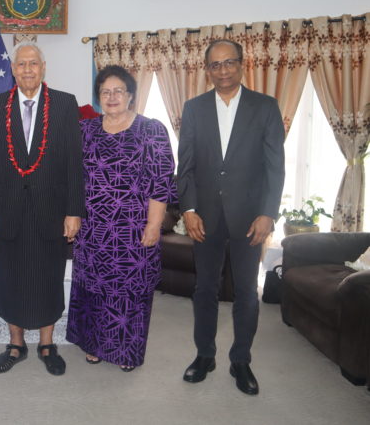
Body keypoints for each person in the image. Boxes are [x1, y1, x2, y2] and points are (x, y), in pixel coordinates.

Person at [177, 39, 285, 395]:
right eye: (215, 65)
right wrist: (189, 209)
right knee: (204, 289)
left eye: (229, 63)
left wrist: (268, 213)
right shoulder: (193, 109)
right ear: (207, 70)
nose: (223, 71)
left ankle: (241, 360)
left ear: (242, 65)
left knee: (246, 294)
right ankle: (204, 355)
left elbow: (274, 167)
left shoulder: (265, 107)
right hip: (204, 217)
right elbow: (186, 166)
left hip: (249, 217)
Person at [0, 41, 85, 376]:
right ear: (13, 69)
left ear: (43, 67)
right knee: (10, 278)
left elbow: (73, 163)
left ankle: (47, 344)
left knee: (48, 278)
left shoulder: (65, 105)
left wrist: (73, 211)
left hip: (51, 210)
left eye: (33, 63)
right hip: (6, 209)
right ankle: (16, 344)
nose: (27, 69)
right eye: (21, 64)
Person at [67, 65, 176, 372]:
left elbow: (161, 181)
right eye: (105, 91)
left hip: (133, 229)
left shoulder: (152, 130)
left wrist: (154, 225)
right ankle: (94, 345)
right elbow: (72, 178)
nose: (112, 97)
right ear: (98, 97)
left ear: (130, 95)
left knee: (130, 292)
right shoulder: (85, 130)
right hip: (92, 227)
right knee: (93, 288)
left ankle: (125, 352)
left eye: (118, 91)